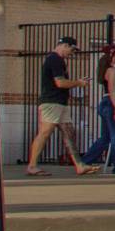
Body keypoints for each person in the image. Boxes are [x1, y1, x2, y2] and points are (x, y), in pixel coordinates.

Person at [27, 37, 93, 175]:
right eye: (72, 49)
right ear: (65, 45)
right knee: (44, 133)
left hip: (60, 102)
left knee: (68, 133)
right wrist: (78, 83)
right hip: (52, 102)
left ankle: (79, 165)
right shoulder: (55, 59)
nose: (72, 53)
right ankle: (32, 166)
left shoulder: (57, 60)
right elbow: (60, 83)